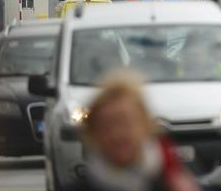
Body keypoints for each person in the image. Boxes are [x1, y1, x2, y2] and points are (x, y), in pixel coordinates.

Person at [67, 72, 200, 191]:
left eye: (125, 123)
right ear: (93, 134)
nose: (117, 135)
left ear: (145, 125)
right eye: (107, 126)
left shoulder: (178, 181)